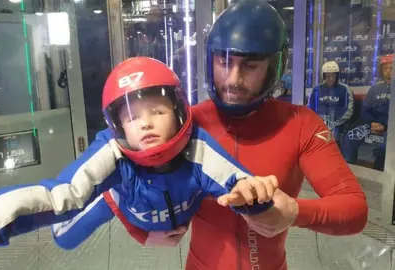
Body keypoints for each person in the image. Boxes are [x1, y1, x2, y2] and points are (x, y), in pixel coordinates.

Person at [0, 57, 278, 263]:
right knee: (64, 237)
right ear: (117, 125)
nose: (146, 123)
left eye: (156, 110)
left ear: (180, 110)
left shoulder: (197, 147)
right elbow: (57, 194)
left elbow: (240, 183)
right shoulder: (112, 152)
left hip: (177, 206)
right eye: (132, 118)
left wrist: (256, 193)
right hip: (122, 198)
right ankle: (109, 198)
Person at [114, 1, 368, 269]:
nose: (233, 79)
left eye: (250, 66)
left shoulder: (302, 124)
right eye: (224, 61)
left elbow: (355, 210)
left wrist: (294, 212)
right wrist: (143, 232)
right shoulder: (188, 123)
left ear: (273, 67)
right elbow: (113, 169)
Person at [341, 54, 392, 171]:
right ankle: (350, 171)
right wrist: (372, 123)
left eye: (391, 68)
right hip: (371, 125)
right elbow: (366, 109)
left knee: (384, 148)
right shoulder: (375, 89)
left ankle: (381, 177)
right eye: (385, 69)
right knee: (349, 138)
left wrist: (384, 126)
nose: (388, 71)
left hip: (391, 130)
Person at [308, 61, 355, 143]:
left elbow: (349, 110)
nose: (331, 79)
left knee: (333, 137)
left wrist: (334, 124)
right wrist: (319, 122)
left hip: (338, 125)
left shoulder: (345, 89)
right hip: (319, 124)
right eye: (328, 76)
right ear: (323, 76)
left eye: (334, 76)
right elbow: (311, 108)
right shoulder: (317, 89)